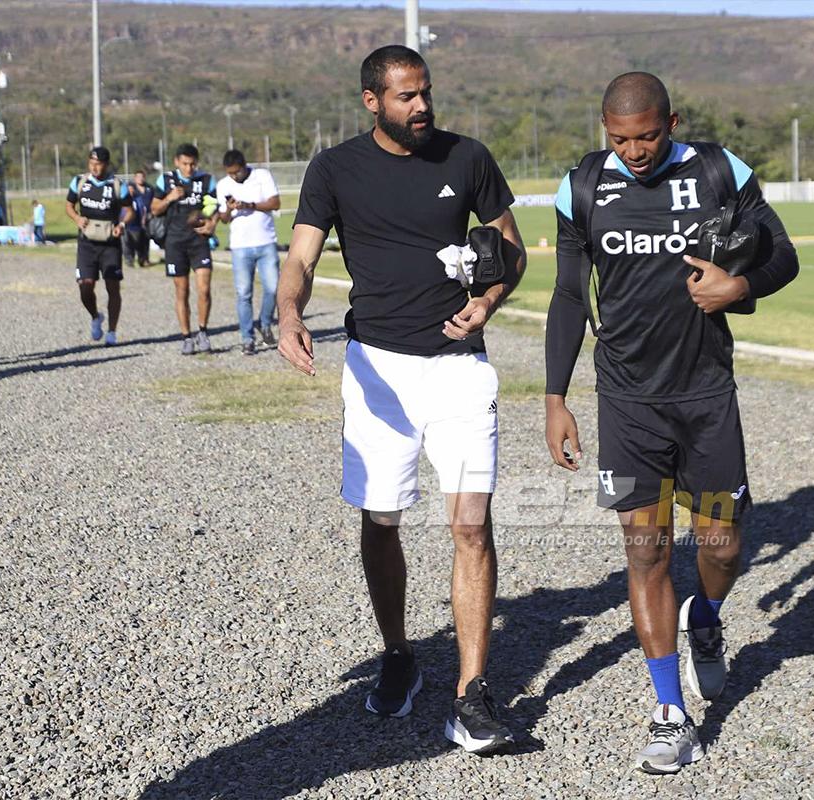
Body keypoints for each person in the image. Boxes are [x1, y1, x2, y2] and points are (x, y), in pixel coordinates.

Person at [544, 72, 799, 774]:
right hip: (627, 402)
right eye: (620, 137)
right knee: (647, 551)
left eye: (648, 135)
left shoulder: (720, 169)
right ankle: (667, 710)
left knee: (720, 543)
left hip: (705, 394)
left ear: (673, 121)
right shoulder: (583, 187)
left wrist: (739, 286)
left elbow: (784, 254)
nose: (635, 150)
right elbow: (570, 293)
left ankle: (707, 621)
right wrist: (554, 396)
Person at [277, 45, 525, 755]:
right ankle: (397, 654)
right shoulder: (334, 169)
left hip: (458, 366)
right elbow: (301, 256)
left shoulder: (467, 157)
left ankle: (473, 696)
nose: (422, 107)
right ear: (371, 101)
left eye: (426, 93)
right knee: (381, 518)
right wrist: (289, 313)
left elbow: (512, 251)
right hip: (377, 369)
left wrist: (488, 301)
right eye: (406, 96)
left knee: (471, 524)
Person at [150, 144, 219, 355]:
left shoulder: (206, 180)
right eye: (185, 164)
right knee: (182, 290)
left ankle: (203, 332)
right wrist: (170, 198)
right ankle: (186, 336)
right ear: (177, 162)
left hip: (199, 242)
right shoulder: (166, 180)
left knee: (204, 289)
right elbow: (154, 208)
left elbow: (216, 206)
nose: (189, 168)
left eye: (192, 164)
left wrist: (212, 223)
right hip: (175, 242)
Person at [64, 146, 133, 346]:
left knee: (113, 287)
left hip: (110, 244)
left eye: (99, 164)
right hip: (86, 243)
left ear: (107, 165)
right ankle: (95, 316)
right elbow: (69, 205)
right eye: (92, 163)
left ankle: (112, 331)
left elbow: (130, 210)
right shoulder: (80, 182)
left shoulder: (117, 185)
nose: (95, 168)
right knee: (85, 287)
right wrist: (76, 218)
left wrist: (122, 224)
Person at [215, 149, 281, 356]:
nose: (234, 177)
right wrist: (229, 208)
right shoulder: (223, 185)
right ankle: (247, 338)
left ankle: (265, 322)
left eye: (237, 172)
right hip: (240, 246)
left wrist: (249, 205)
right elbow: (223, 219)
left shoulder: (262, 176)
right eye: (230, 173)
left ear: (244, 166)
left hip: (266, 242)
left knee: (273, 288)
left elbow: (275, 203)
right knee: (244, 293)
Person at [124, 169, 153, 268]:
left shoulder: (149, 189)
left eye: (142, 177)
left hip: (146, 218)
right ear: (135, 178)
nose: (140, 179)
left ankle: (144, 259)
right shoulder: (131, 188)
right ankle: (129, 260)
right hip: (133, 219)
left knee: (145, 240)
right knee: (129, 240)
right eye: (138, 177)